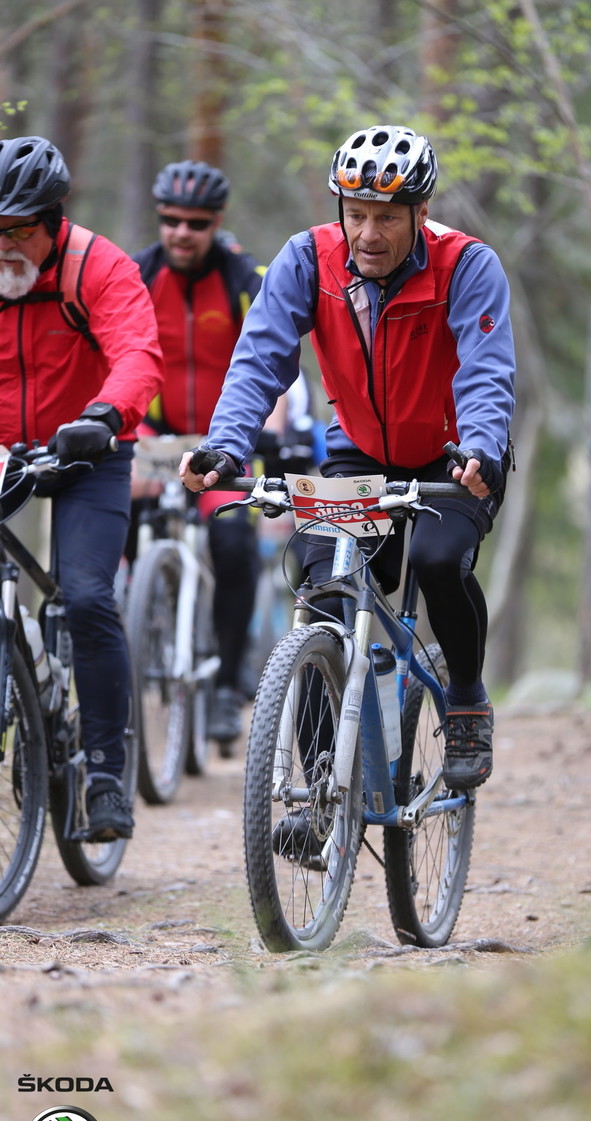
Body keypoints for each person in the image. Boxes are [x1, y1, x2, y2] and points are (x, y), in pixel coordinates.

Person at [180, 123, 516, 797]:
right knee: (326, 592)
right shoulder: (308, 259)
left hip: (454, 457)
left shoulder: (467, 265)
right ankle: (318, 793)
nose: (368, 232)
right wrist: (225, 443)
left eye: (387, 217)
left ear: (421, 214)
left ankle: (468, 698)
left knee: (435, 561)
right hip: (358, 451)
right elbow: (259, 361)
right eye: (356, 214)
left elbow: (485, 374)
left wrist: (481, 448)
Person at [0, 135, 163, 840]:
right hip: (5, 449)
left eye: (17, 232)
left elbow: (137, 353)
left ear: (53, 219)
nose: (3, 246)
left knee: (90, 595)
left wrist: (102, 416)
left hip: (87, 446)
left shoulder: (99, 265)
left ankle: (103, 771)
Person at [131, 159, 268, 747]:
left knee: (234, 546)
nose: (180, 232)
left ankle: (222, 689)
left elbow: (272, 364)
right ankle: (139, 639)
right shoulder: (137, 274)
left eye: (195, 223)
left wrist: (273, 435)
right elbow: (119, 358)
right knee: (116, 532)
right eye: (170, 220)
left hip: (222, 447)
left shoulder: (241, 277)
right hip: (155, 440)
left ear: (216, 223)